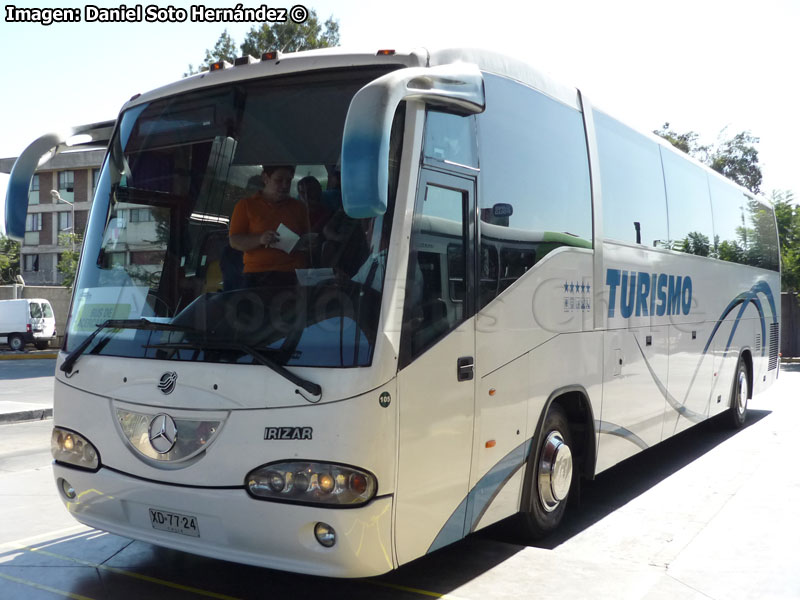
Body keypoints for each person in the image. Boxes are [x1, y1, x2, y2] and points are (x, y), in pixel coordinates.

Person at [229, 165, 309, 287]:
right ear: (265, 178)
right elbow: (234, 241)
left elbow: (306, 239)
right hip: (257, 274)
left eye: (288, 181)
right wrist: (260, 239)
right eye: (279, 180)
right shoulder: (246, 205)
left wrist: (307, 243)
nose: (285, 185)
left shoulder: (299, 208)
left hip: (292, 274)